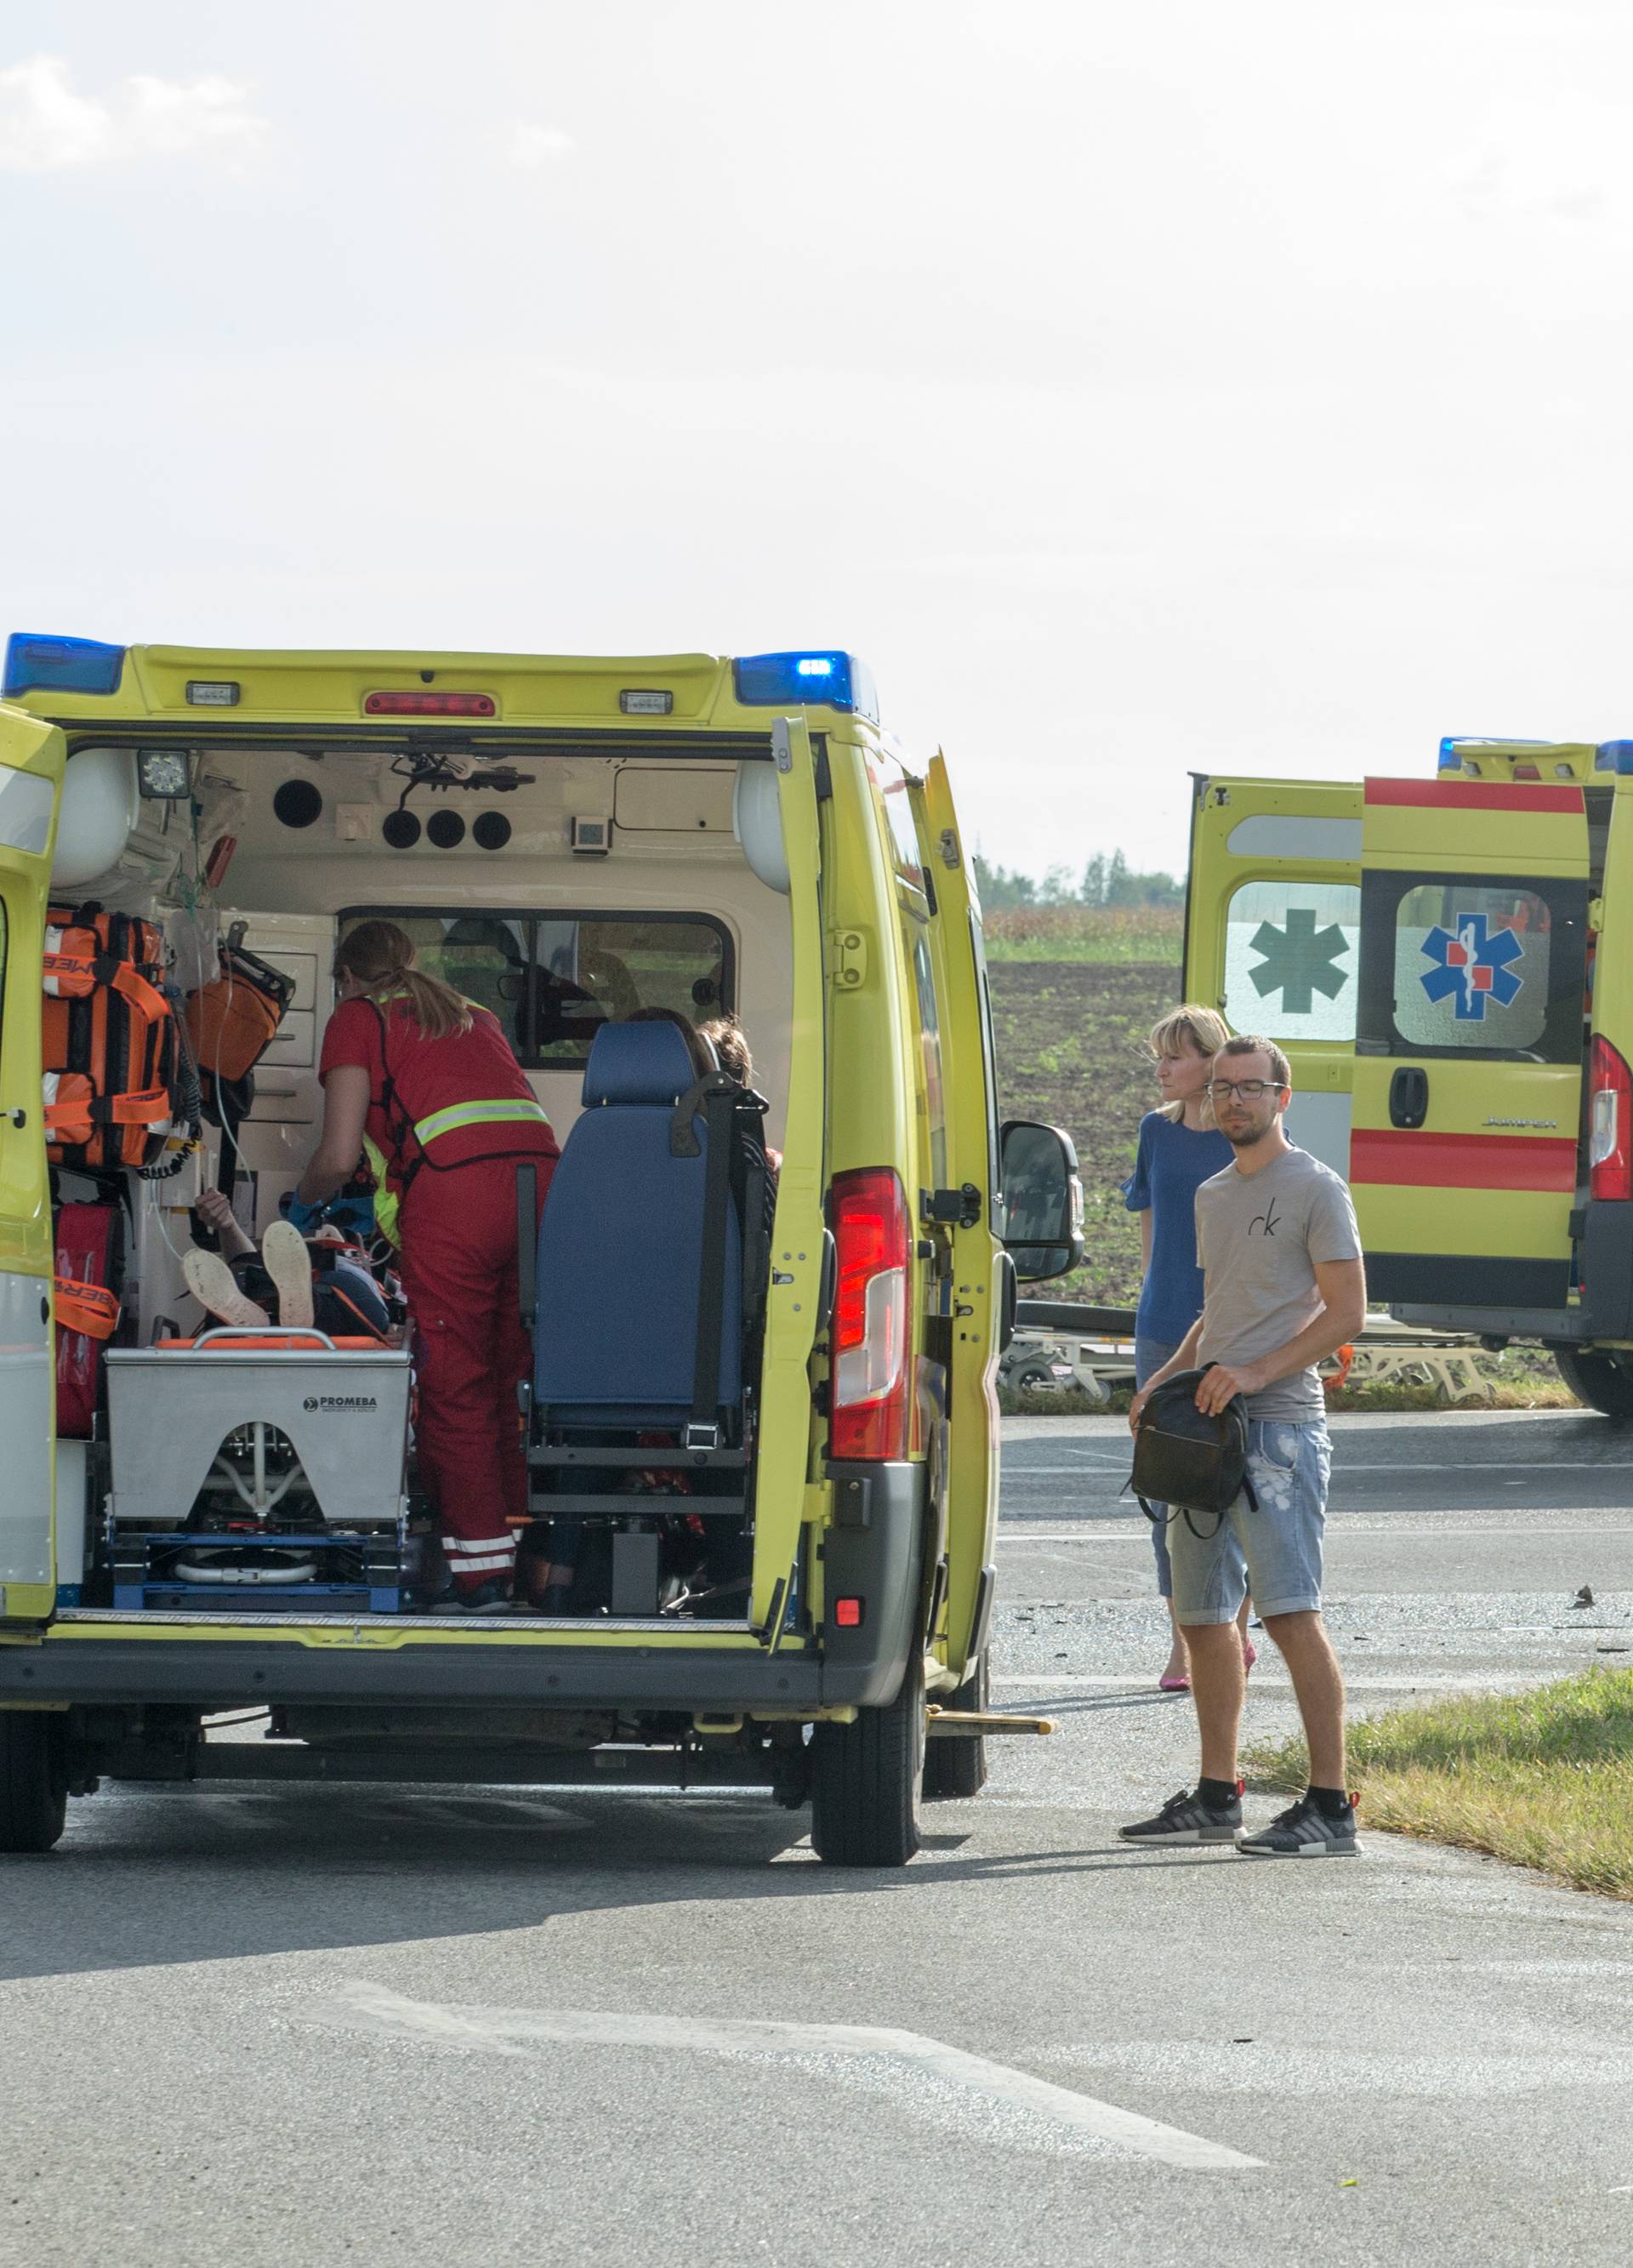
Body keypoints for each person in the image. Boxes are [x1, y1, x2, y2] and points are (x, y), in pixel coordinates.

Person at [1120, 1035, 1367, 1858]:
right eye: (1223, 1090)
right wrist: (1165, 1385)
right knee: (1201, 1617)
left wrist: (1258, 1370)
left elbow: (1345, 1314)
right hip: (1205, 1432)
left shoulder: (1316, 1188)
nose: (1233, 1102)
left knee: (1291, 1612)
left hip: (1281, 1433)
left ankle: (1330, 1805)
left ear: (1281, 1098)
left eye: (1249, 1089)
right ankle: (1218, 1794)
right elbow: (1218, 1311)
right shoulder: (1216, 1192)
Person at [294, 920, 561, 1612]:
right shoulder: (472, 1013)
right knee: (513, 1382)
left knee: (455, 1385)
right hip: (544, 1193)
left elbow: (338, 1154)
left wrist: (297, 1208)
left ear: (347, 977)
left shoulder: (357, 1018)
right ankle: (529, 1560)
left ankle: (481, 1578)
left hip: (458, 1199)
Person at [1121, 1005, 1253, 1692]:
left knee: (1240, 1479)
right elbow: (1150, 1230)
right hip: (1163, 1325)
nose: (1162, 1070)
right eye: (1159, 1057)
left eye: (1174, 1056)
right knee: (1169, 1484)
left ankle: (1233, 1631)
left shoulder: (1243, 1138)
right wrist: (1151, 1306)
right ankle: (1185, 1646)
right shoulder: (1155, 1132)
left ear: (1212, 1060)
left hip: (1237, 1328)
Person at [185, 1188, 392, 1340]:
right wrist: (228, 1225)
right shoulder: (362, 1267)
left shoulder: (343, 1257)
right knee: (256, 1273)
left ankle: (268, 1316)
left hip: (338, 1285)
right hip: (359, 1312)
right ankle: (290, 1306)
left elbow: (245, 1262)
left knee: (251, 1274)